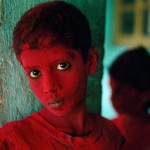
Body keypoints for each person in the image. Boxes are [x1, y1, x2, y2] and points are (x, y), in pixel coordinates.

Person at [0, 1, 124, 149]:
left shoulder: (111, 137)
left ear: (90, 61)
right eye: (35, 73)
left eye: (62, 66)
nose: (49, 87)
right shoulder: (11, 141)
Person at [109, 46, 150, 150]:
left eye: (120, 92)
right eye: (112, 89)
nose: (112, 97)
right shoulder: (110, 128)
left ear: (145, 95)